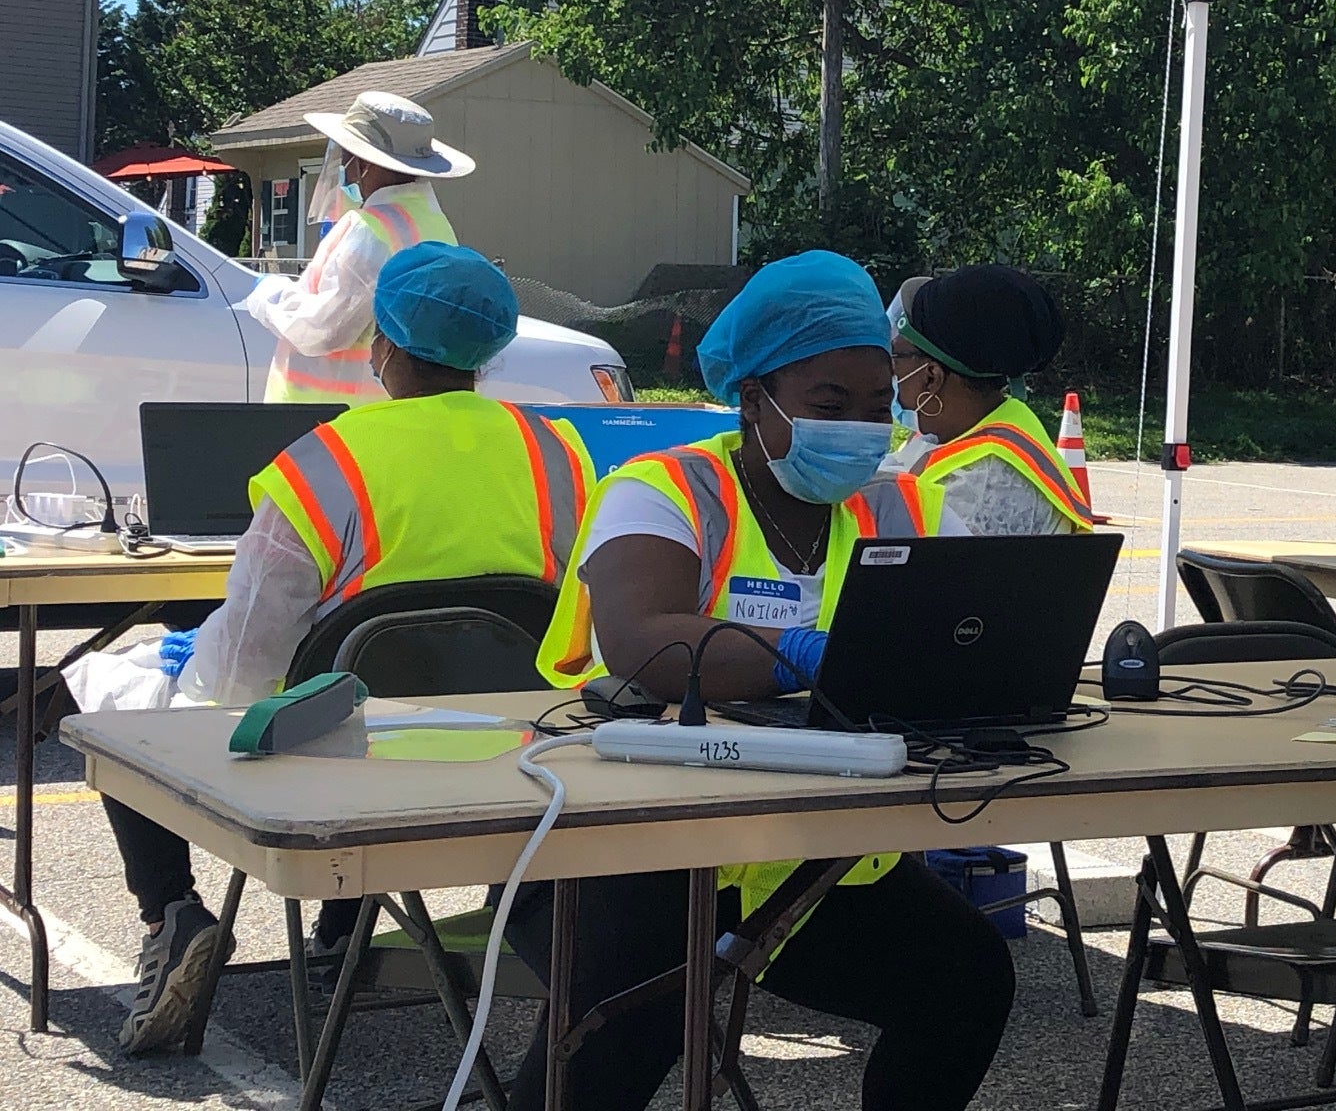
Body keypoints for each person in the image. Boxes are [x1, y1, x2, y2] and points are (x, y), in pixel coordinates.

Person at [523, 249, 1012, 1111]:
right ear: (753, 401)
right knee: (616, 1041)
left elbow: (978, 634)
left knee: (965, 982)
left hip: (813, 861)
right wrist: (821, 651)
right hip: (639, 850)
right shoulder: (663, 489)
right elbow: (647, 643)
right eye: (831, 405)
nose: (862, 428)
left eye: (877, 407)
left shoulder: (907, 504)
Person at [99, 243, 588, 1055]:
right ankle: (345, 930)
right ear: (489, 351)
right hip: (517, 749)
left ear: (383, 345)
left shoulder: (325, 461)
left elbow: (244, 664)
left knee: (110, 703)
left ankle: (173, 913)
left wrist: (178, 657)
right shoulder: (560, 453)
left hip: (345, 760)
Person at [244, 90, 471, 403]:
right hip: (379, 405)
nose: (344, 167)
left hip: (327, 412)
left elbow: (325, 328)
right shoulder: (433, 222)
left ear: (365, 162)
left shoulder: (369, 232)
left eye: (347, 156)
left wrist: (271, 296)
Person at [884, 265, 1093, 535]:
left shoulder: (979, 486)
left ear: (931, 377)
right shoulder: (969, 431)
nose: (888, 369)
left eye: (895, 355)